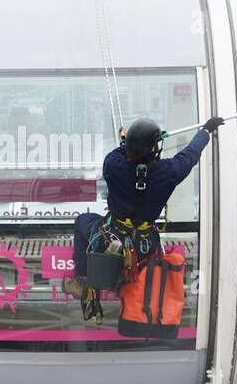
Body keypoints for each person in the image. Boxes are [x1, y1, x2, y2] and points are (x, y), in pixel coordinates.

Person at [64, 114, 224, 300]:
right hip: (145, 244)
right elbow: (190, 154)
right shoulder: (168, 172)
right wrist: (205, 131)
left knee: (82, 220)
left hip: (113, 234)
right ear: (154, 148)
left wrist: (127, 143)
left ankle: (82, 277)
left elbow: (119, 152)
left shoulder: (113, 165)